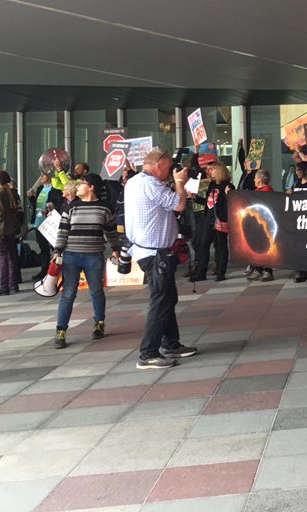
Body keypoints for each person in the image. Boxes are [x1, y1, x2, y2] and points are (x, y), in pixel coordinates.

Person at [124, 149, 197, 370]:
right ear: (157, 166)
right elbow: (179, 204)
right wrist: (180, 182)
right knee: (161, 301)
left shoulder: (135, 182)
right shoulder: (151, 184)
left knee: (168, 298)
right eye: (167, 168)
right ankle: (148, 353)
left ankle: (171, 344)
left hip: (151, 251)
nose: (169, 172)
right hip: (155, 254)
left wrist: (175, 185)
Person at [51, 174, 121, 349]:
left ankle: (99, 323)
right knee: (68, 294)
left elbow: (111, 232)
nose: (77, 187)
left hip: (94, 255)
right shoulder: (72, 207)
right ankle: (61, 331)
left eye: (81, 184)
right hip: (71, 256)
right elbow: (62, 231)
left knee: (96, 291)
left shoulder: (105, 208)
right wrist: (57, 251)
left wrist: (116, 249)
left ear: (91, 187)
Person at [26, 171, 63, 283]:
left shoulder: (55, 189)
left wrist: (49, 210)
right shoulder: (40, 189)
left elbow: (58, 204)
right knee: (43, 248)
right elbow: (37, 205)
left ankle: (57, 270)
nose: (40, 177)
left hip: (50, 222)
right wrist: (31, 198)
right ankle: (44, 269)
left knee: (54, 247)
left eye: (43, 175)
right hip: (39, 221)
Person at [204, 163, 235, 281]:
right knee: (204, 243)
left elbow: (232, 202)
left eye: (213, 170)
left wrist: (228, 194)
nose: (211, 172)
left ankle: (221, 272)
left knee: (221, 245)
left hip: (221, 219)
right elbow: (208, 201)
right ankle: (202, 271)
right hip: (210, 218)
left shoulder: (228, 186)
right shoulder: (212, 185)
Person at [247, 169, 276, 282]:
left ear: (260, 179)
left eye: (255, 177)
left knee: (264, 246)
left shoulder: (267, 190)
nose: (254, 180)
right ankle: (258, 269)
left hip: (264, 223)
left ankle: (268, 271)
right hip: (256, 224)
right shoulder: (256, 190)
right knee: (256, 246)